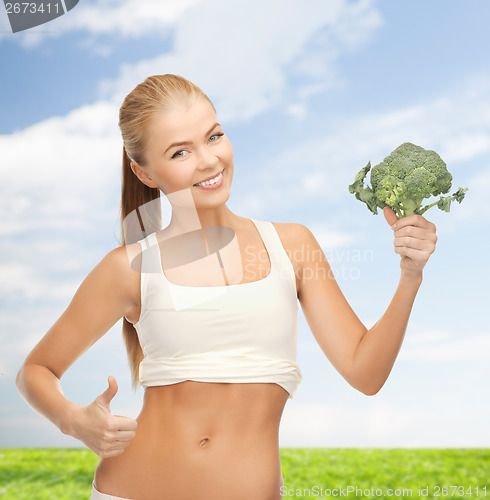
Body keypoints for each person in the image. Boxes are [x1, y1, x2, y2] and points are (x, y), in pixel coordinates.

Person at [15, 74, 438, 500]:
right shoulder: (128, 268)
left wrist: (410, 276)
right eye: (180, 152)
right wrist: (74, 421)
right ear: (143, 172)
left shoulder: (292, 246)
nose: (208, 161)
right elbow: (36, 371)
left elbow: (365, 373)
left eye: (213, 137)